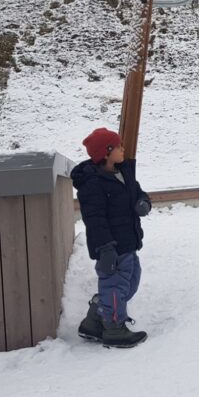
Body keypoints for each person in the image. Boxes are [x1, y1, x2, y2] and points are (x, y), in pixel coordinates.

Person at [71, 128, 152, 349]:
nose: (123, 149)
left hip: (128, 242)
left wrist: (143, 202)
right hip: (112, 247)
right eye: (118, 146)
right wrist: (105, 248)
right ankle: (114, 328)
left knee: (131, 281)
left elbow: (138, 191)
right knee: (115, 286)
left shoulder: (123, 172)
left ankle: (95, 320)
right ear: (106, 152)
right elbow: (94, 219)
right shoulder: (93, 183)